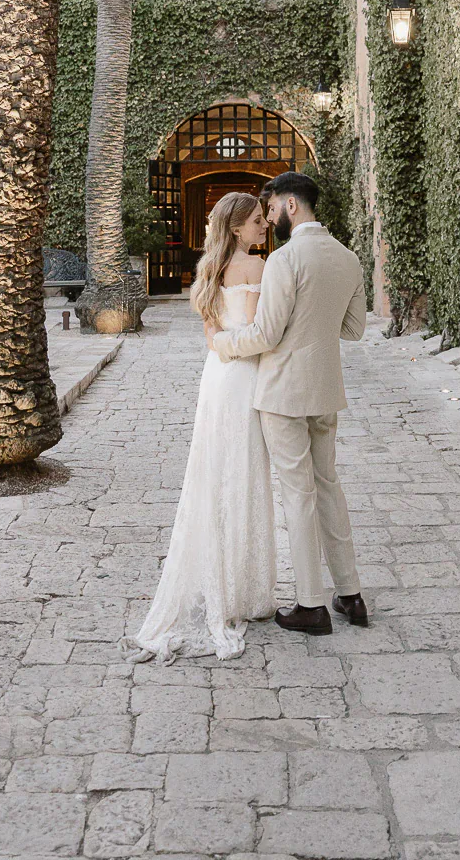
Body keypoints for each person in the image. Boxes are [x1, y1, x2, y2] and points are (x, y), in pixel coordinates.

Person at [207, 171, 368, 635]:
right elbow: (353, 329)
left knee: (298, 494)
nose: (270, 216)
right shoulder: (348, 258)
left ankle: (311, 605)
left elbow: (265, 334)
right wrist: (313, 323)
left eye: (273, 207)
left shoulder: (284, 259)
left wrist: (222, 344)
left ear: (291, 205)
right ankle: (351, 595)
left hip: (282, 394)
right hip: (325, 391)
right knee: (328, 486)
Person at [131, 191, 277, 661]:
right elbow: (261, 335)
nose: (263, 226)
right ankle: (242, 591)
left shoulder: (208, 271)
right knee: (245, 475)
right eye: (256, 221)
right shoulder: (258, 269)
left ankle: (225, 581)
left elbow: (213, 339)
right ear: (236, 228)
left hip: (216, 378)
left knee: (215, 475)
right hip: (244, 377)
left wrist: (228, 345)